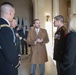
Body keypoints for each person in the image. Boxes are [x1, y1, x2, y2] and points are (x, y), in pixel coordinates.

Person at [0, 2, 19, 75]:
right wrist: (16, 62)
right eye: (14, 13)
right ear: (10, 13)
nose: (13, 15)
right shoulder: (5, 28)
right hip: (5, 66)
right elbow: (9, 53)